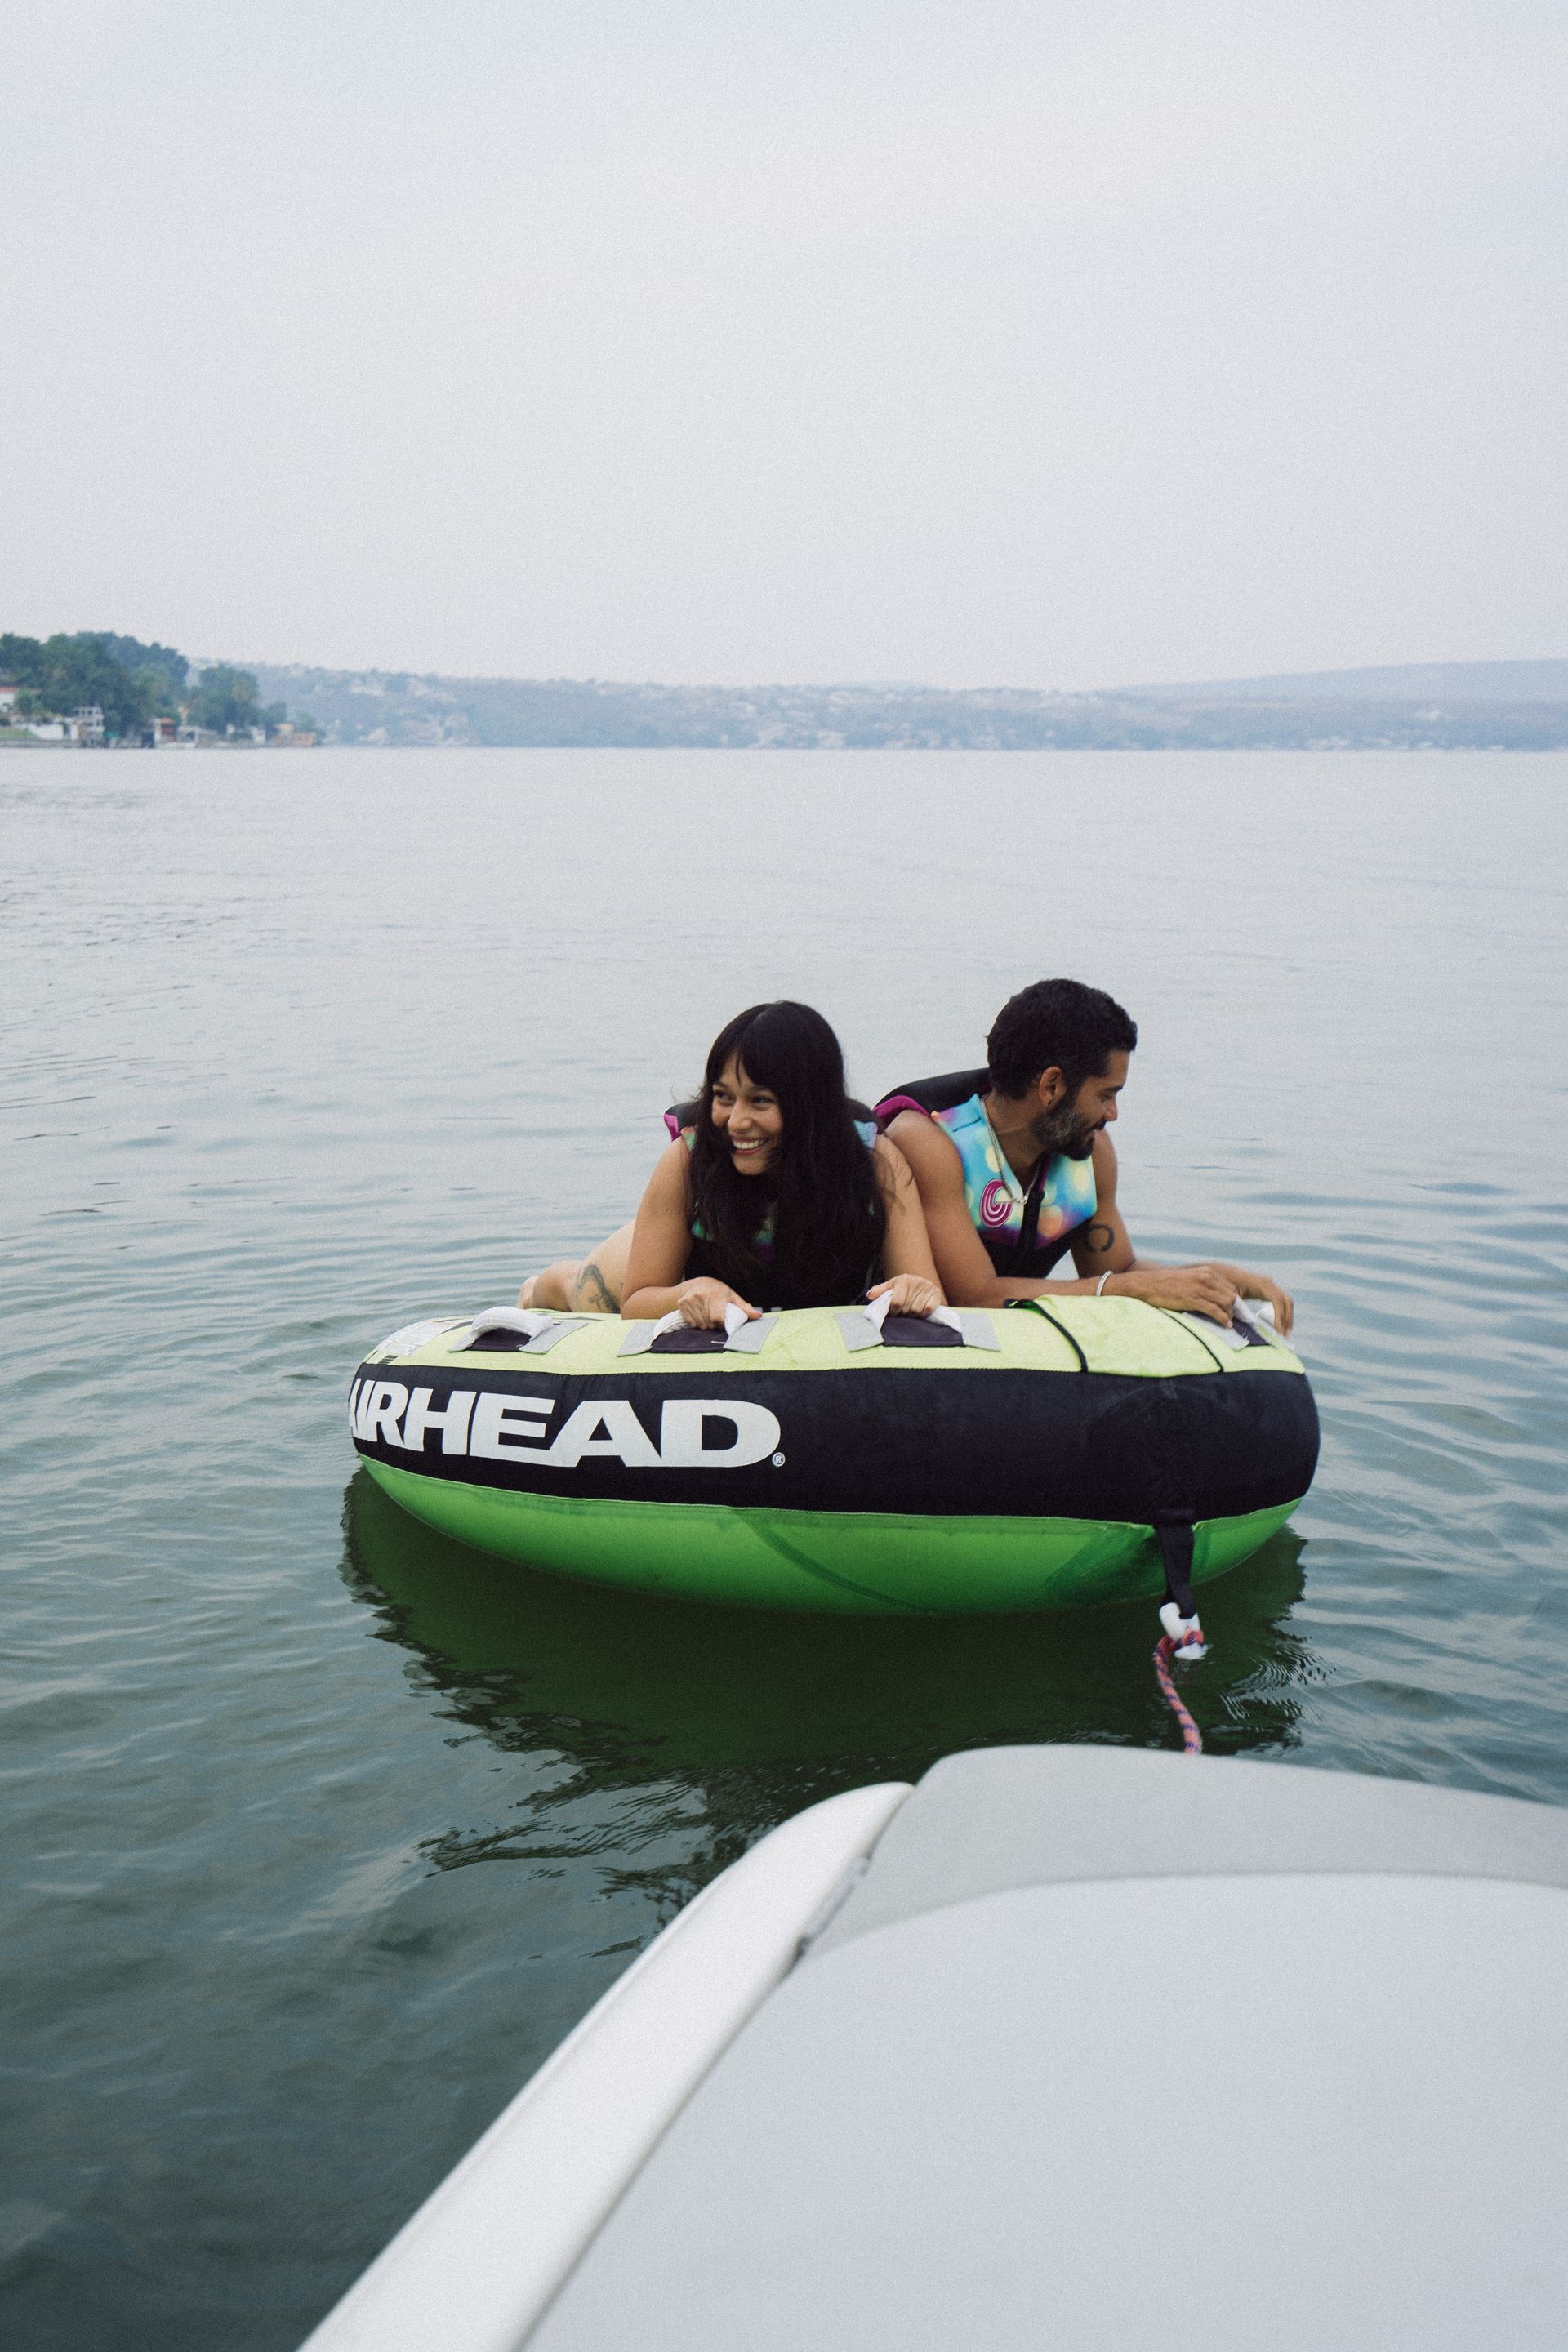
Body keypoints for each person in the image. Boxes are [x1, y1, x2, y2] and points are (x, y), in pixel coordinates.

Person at [876, 977, 1294, 1334]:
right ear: (1052, 1086)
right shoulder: (932, 1142)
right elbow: (973, 1296)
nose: (1112, 1114)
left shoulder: (1091, 1156)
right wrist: (1123, 1289)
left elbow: (1119, 1271)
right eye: (1105, 1095)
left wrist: (1216, 1281)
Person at [615, 1000, 943, 1327]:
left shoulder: (875, 1162)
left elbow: (928, 1293)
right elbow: (635, 1302)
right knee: (593, 1280)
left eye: (760, 1100)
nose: (736, 1122)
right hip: (696, 1307)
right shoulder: (686, 1162)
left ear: (811, 1106)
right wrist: (691, 1291)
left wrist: (912, 1289)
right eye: (723, 1096)